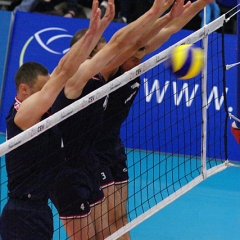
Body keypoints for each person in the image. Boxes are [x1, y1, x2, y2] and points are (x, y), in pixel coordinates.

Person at [93, 0, 216, 239]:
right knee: (103, 224)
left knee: (120, 218)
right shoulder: (110, 71)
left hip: (113, 147)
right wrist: (158, 12)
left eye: (141, 55)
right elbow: (130, 43)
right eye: (132, 56)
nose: (137, 60)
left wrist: (202, 2)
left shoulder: (137, 63)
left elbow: (172, 28)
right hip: (93, 151)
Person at [50, 0, 173, 239]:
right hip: (67, 170)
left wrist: (169, 15)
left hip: (90, 162)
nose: (109, 56)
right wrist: (155, 11)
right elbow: (121, 43)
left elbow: (131, 44)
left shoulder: (103, 77)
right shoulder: (72, 80)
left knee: (107, 230)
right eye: (100, 52)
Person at [0, 1, 113, 239]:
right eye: (42, 90)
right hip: (23, 212)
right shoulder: (23, 115)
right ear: (24, 90)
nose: (48, 94)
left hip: (40, 208)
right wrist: (92, 34)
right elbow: (61, 74)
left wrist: (93, 34)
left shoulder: (37, 109)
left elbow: (64, 69)